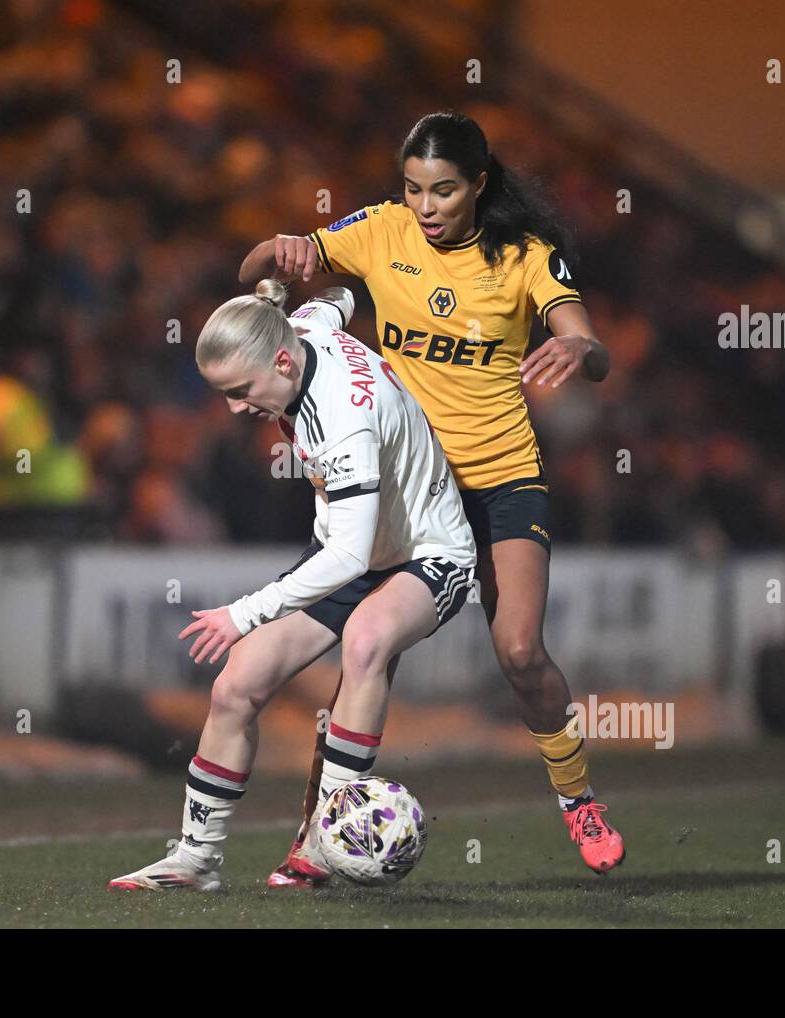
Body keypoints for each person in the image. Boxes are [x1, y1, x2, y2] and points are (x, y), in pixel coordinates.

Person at [239, 110, 624, 885]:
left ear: (479, 185)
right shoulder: (380, 232)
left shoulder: (524, 256)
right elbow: (262, 267)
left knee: (519, 651)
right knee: (364, 651)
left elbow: (590, 343)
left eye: (444, 192)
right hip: (409, 489)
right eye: (414, 189)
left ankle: (578, 796)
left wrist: (581, 346)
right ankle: (315, 840)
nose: (426, 207)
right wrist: (276, 248)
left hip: (503, 478)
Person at [108, 279, 476, 891]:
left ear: (282, 361)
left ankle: (322, 846)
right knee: (234, 687)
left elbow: (352, 557)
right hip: (351, 548)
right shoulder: (300, 326)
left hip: (426, 554)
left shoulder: (343, 421)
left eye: (241, 391)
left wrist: (243, 614)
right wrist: (287, 271)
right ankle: (196, 859)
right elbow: (342, 295)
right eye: (223, 394)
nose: (234, 409)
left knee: (365, 641)